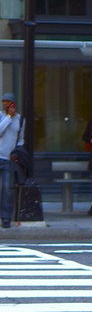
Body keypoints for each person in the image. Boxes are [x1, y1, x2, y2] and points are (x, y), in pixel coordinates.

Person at [0, 92, 24, 229]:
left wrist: (17, 153)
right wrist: (8, 117)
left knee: (7, 189)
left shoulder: (20, 120)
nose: (6, 104)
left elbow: (21, 139)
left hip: (9, 158)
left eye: (8, 102)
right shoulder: (1, 116)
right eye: (4, 102)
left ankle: (6, 218)